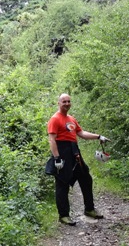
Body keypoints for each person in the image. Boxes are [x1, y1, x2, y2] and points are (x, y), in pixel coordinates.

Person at [47, 93, 109, 225]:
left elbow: (81, 133)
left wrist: (99, 137)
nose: (67, 103)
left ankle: (89, 209)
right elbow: (52, 140)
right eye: (64, 101)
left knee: (86, 178)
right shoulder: (55, 119)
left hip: (74, 152)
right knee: (62, 183)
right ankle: (63, 216)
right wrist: (56, 158)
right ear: (58, 103)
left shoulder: (71, 119)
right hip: (62, 152)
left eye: (68, 101)